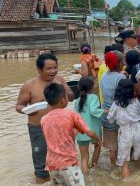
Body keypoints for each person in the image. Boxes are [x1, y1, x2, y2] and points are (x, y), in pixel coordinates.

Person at [15, 53, 74, 184]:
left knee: (63, 160)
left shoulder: (59, 80)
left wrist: (65, 90)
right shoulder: (29, 85)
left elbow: (71, 97)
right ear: (39, 70)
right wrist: (25, 111)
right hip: (38, 129)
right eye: (49, 68)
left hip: (60, 128)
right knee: (41, 164)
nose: (53, 71)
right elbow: (19, 105)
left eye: (55, 67)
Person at [41, 83, 101, 186]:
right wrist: (98, 140)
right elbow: (89, 132)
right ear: (63, 100)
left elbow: (55, 137)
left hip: (52, 165)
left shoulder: (44, 119)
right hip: (68, 164)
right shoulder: (70, 114)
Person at [107, 79, 140, 178]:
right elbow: (139, 114)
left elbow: (110, 119)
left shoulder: (116, 103)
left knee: (124, 160)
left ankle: (127, 181)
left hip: (125, 131)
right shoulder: (136, 101)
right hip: (138, 128)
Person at [100, 51, 127, 165]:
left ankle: (113, 168)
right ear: (120, 63)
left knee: (112, 147)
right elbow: (124, 98)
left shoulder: (103, 76)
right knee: (122, 145)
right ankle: (122, 169)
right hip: (118, 116)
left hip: (106, 115)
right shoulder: (121, 77)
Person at [74, 76, 104, 174]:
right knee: (98, 146)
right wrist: (105, 111)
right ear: (92, 87)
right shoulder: (93, 97)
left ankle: (86, 177)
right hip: (93, 131)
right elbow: (94, 111)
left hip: (81, 133)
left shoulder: (77, 101)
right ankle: (94, 166)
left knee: (84, 157)